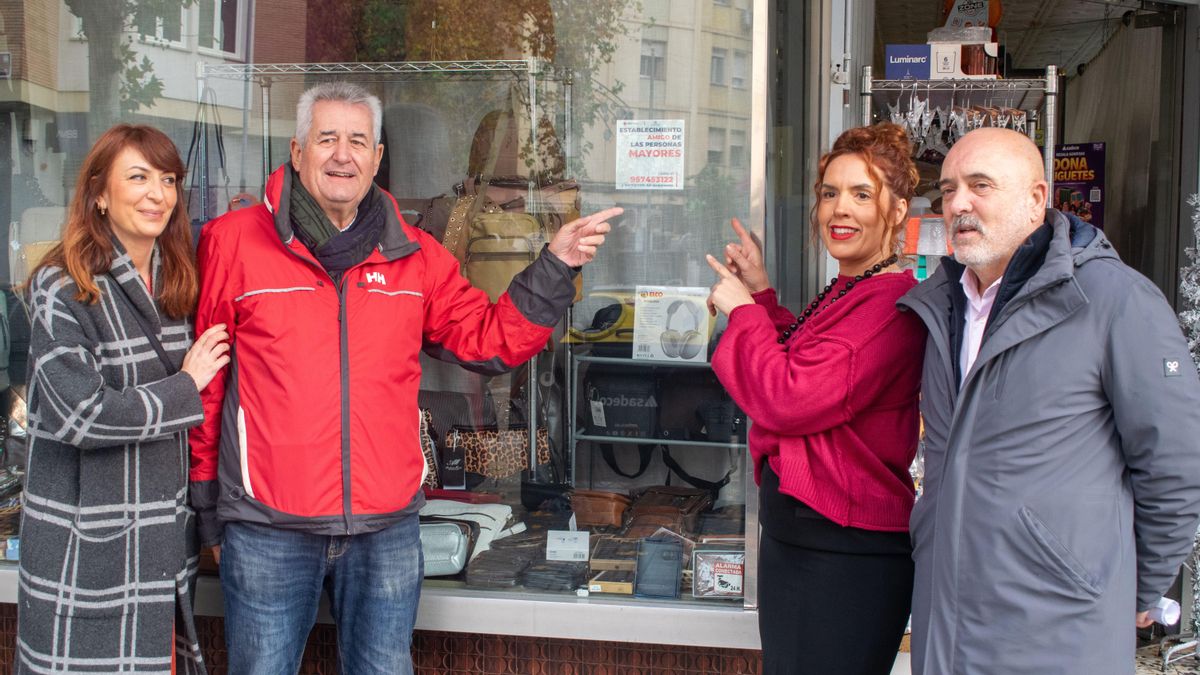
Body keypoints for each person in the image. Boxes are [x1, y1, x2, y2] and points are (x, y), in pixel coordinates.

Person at [188, 81, 618, 675]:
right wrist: (207, 503)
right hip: (268, 526)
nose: (343, 154)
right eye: (328, 138)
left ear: (377, 159)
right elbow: (207, 387)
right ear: (296, 149)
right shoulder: (232, 242)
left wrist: (554, 266)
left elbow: (491, 340)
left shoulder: (414, 256)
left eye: (358, 141)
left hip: (386, 527)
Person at [898, 127, 1200, 674]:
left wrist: (1133, 589)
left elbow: (1175, 464)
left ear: (1037, 198)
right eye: (948, 189)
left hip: (1057, 625)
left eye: (980, 185)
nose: (958, 204)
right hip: (947, 616)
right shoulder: (942, 303)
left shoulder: (1114, 300)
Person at [705, 123, 925, 674]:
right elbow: (804, 362)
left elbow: (789, 395)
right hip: (811, 542)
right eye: (829, 193)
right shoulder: (855, 287)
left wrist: (745, 312)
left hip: (841, 554)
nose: (838, 210)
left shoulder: (888, 306)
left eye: (861, 194)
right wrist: (760, 292)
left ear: (897, 211)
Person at [16, 124, 230, 674]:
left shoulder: (178, 279)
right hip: (86, 549)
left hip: (161, 550)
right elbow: (83, 414)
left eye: (168, 179)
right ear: (99, 194)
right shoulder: (61, 286)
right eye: (138, 177)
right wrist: (186, 387)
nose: (157, 194)